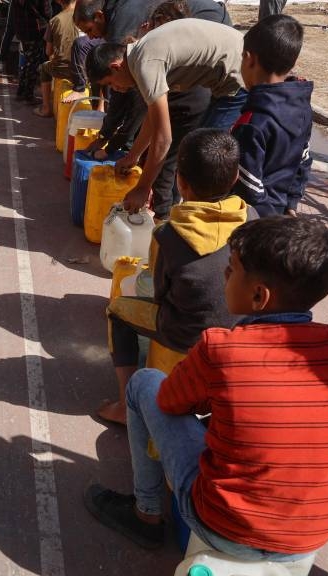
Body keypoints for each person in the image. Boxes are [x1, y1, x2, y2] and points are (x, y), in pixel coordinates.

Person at [84, 216, 328, 556]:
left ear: (259, 296)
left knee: (145, 383)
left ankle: (145, 513)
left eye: (231, 270)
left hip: (225, 524)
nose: (224, 275)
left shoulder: (223, 348)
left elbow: (170, 403)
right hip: (315, 532)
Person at [97, 129, 247, 424]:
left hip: (182, 333)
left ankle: (127, 404)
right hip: (237, 327)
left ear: (180, 181)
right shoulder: (251, 219)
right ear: (235, 178)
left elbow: (159, 293)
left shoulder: (168, 235)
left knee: (117, 311)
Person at [86, 18, 246, 214]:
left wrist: (143, 188)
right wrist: (133, 156)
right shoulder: (139, 55)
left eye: (111, 83)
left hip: (238, 77)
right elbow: (154, 120)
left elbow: (163, 139)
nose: (116, 90)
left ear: (115, 66)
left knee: (205, 160)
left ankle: (202, 230)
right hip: (228, 75)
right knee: (199, 155)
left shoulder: (145, 64)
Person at [231, 14, 312, 218]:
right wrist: (292, 201)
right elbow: (304, 158)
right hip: (280, 209)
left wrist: (270, 219)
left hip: (253, 218)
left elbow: (247, 182)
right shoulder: (302, 107)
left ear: (250, 60)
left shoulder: (252, 122)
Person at [34, 0, 78, 118]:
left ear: (59, 1)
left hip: (62, 69)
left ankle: (46, 108)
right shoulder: (85, 18)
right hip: (83, 70)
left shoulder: (54, 20)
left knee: (44, 68)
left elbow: (48, 51)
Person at [10, 0, 51, 103]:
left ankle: (21, 92)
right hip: (35, 30)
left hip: (22, 30)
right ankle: (28, 95)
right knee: (33, 63)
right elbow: (47, 12)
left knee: (28, 61)